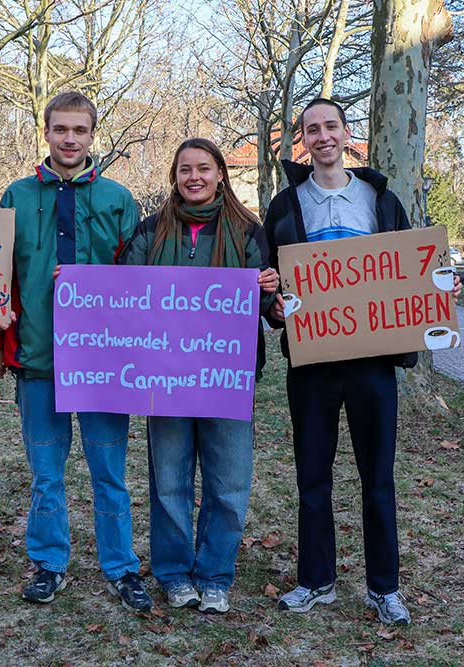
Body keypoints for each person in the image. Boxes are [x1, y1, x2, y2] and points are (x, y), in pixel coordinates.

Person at [263, 98, 461, 626]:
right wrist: (275, 308)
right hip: (311, 365)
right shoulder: (284, 207)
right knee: (312, 477)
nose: (322, 136)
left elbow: (412, 272)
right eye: (312, 129)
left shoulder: (381, 200)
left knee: (377, 477)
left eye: (331, 126)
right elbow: (270, 283)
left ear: (347, 134)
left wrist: (440, 288)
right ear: (301, 141)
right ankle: (315, 581)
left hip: (373, 362)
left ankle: (384, 587)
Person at [0, 92, 151, 612]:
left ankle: (121, 567)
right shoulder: (15, 195)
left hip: (105, 365)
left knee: (109, 472)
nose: (70, 139)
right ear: (47, 132)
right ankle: (49, 563)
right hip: (38, 359)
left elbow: (139, 281)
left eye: (79, 130)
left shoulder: (119, 198)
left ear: (92, 135)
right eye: (61, 130)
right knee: (47, 474)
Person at [120, 138, 279, 614]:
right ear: (175, 176)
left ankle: (214, 574)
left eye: (203, 168)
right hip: (163, 380)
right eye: (185, 169)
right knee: (169, 482)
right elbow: (123, 295)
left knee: (228, 483)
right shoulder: (151, 232)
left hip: (226, 380)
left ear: (220, 175)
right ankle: (173, 573)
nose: (194, 177)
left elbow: (270, 310)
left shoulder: (249, 232)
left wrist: (271, 291)